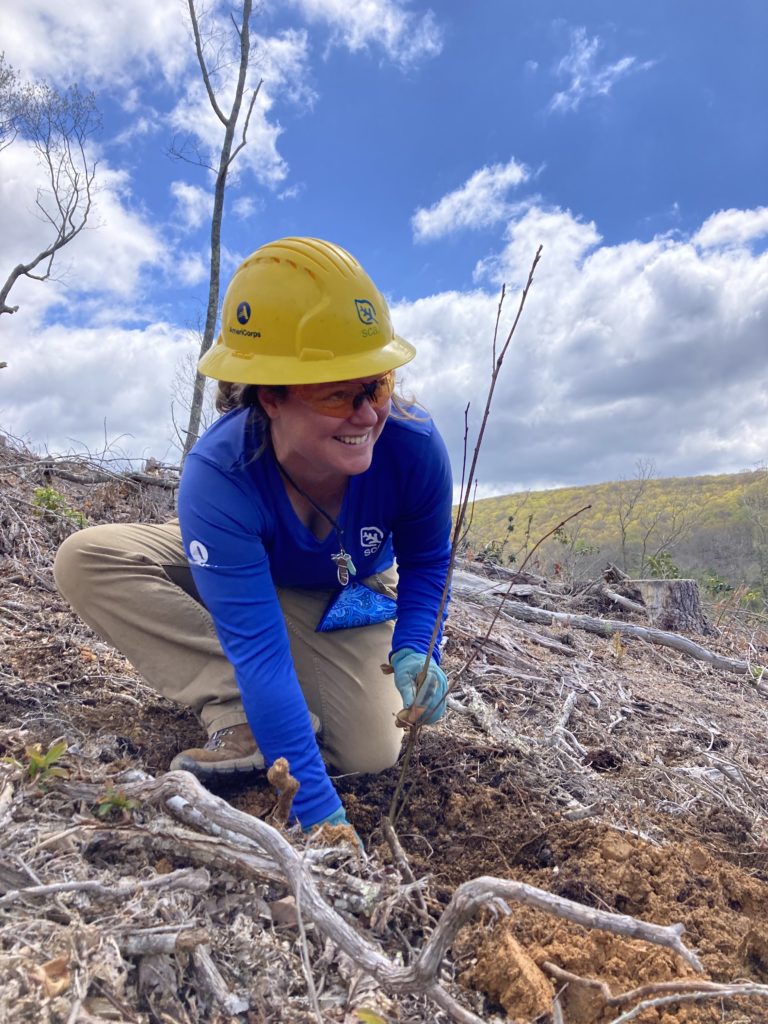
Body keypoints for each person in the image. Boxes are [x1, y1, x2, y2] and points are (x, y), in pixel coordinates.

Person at [54, 237, 453, 832]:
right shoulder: (221, 477)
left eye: (377, 385)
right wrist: (323, 823)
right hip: (244, 558)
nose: (368, 414)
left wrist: (415, 645)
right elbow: (261, 659)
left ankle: (283, 706)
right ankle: (236, 708)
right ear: (271, 394)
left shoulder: (413, 446)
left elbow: (429, 559)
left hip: (347, 584)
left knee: (372, 751)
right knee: (88, 558)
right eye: (338, 393)